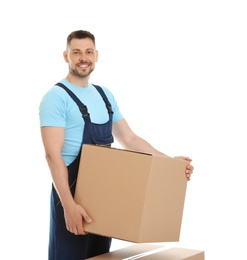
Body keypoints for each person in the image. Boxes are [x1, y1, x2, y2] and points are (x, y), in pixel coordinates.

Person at [39, 29, 194, 260]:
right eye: (77, 52)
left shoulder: (104, 95)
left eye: (89, 52)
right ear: (66, 56)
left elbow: (129, 138)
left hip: (103, 198)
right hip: (71, 196)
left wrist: (169, 162)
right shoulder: (56, 97)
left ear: (96, 56)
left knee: (100, 257)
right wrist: (68, 206)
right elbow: (53, 156)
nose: (84, 58)